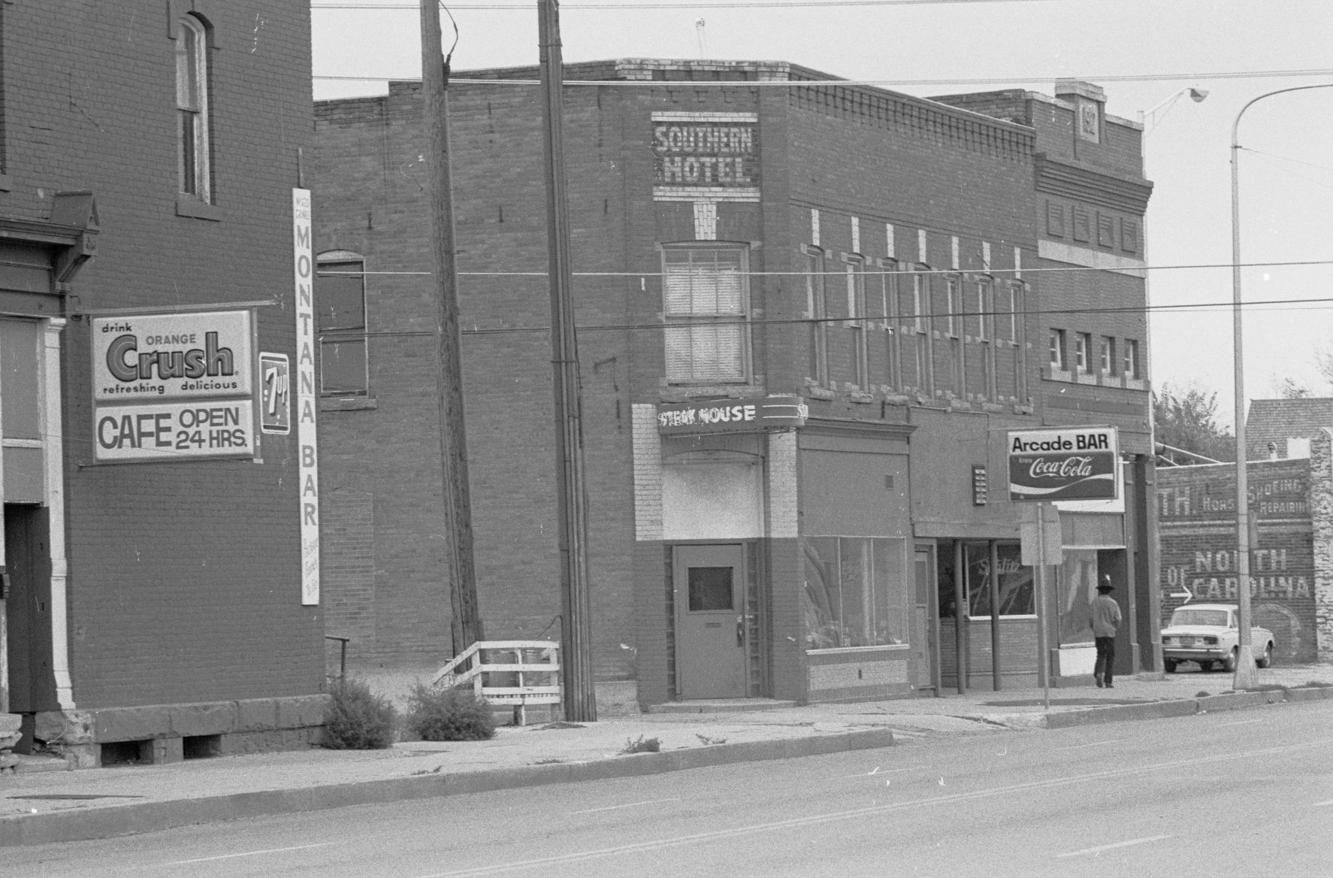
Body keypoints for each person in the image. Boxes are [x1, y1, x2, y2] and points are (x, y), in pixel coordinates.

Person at [1092, 576, 1122, 688]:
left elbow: (1091, 619)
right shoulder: (1113, 603)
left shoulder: (1095, 602)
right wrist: (1115, 628)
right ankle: (1108, 681)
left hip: (1098, 632)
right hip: (1109, 633)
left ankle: (1098, 673)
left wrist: (1094, 627)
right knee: (1110, 656)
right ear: (1109, 590)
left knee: (1100, 654)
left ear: (1100, 590)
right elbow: (1118, 619)